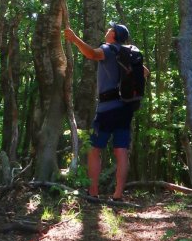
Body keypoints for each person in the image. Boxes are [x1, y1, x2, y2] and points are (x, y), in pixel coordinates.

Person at [63, 22, 149, 201]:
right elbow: (145, 72)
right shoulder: (130, 53)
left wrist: (74, 39)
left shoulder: (108, 49)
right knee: (121, 150)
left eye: (110, 29)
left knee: (94, 149)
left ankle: (93, 191)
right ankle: (118, 195)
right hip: (126, 108)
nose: (107, 30)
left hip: (107, 109)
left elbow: (92, 54)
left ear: (113, 35)